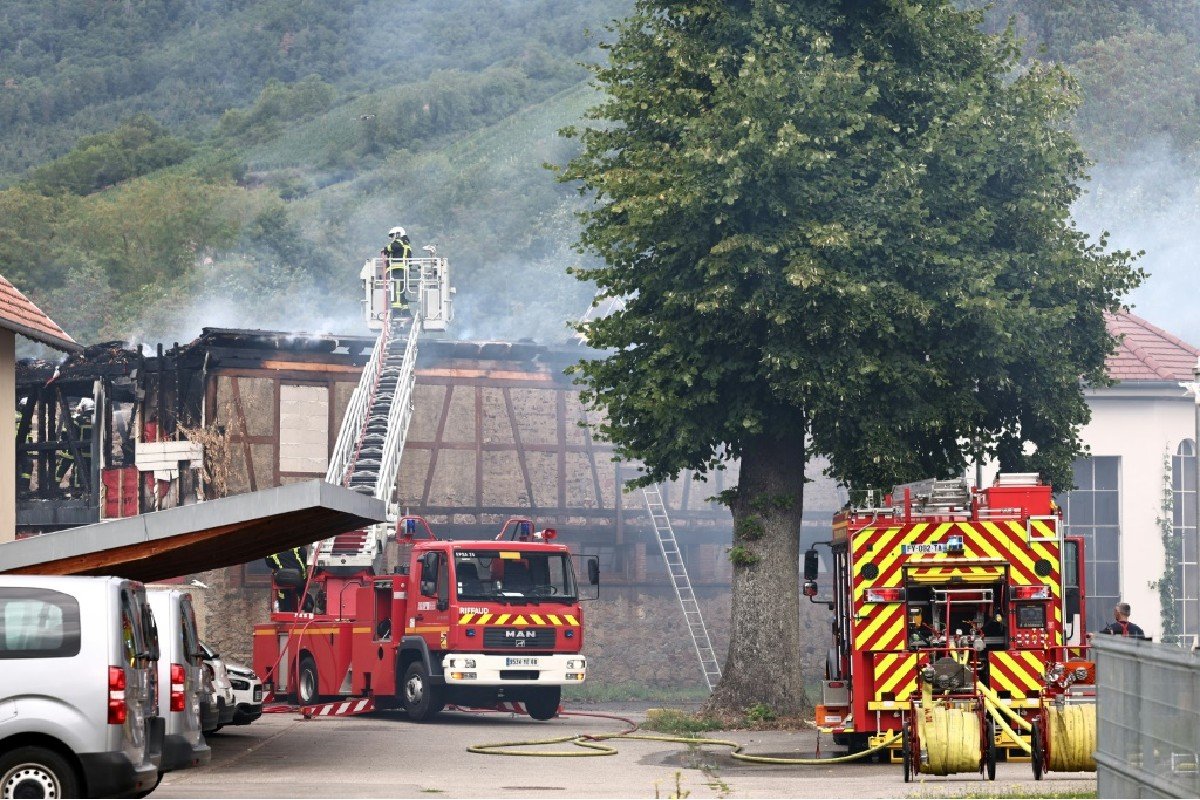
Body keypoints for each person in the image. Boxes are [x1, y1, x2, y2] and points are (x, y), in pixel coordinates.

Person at [264, 545, 309, 612]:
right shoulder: (298, 546)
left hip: (283, 578)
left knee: (283, 592)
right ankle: (307, 602)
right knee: (302, 590)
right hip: (300, 578)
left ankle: (286, 609)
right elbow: (306, 558)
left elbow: (269, 564)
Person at [383, 226, 413, 311]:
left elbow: (393, 247)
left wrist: (385, 249)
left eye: (393, 236)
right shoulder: (406, 244)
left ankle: (396, 310)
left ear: (398, 234)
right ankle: (405, 310)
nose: (392, 238)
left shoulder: (399, 243)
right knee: (401, 291)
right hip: (403, 270)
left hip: (397, 270)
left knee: (396, 290)